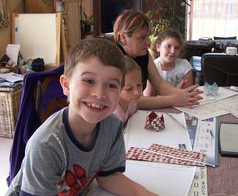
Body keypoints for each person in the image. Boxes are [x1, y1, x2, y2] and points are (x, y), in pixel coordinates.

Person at [6, 38, 156, 196]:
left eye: (111, 85)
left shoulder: (112, 126)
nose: (99, 94)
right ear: (66, 85)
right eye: (89, 81)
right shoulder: (46, 145)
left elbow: (108, 177)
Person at [113, 10, 201, 109]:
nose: (148, 42)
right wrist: (174, 99)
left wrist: (183, 95)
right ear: (123, 37)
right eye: (141, 38)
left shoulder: (143, 53)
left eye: (147, 37)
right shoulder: (114, 59)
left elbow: (159, 84)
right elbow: (133, 100)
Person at [144, 28, 194, 96]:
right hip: (158, 106)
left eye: (176, 48)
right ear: (158, 47)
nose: (172, 51)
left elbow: (188, 94)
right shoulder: (152, 67)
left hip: (181, 105)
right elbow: (149, 97)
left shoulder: (184, 65)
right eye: (168, 46)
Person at [114, 56, 143, 123]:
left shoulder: (131, 102)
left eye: (139, 84)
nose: (137, 92)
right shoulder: (114, 114)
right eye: (129, 89)